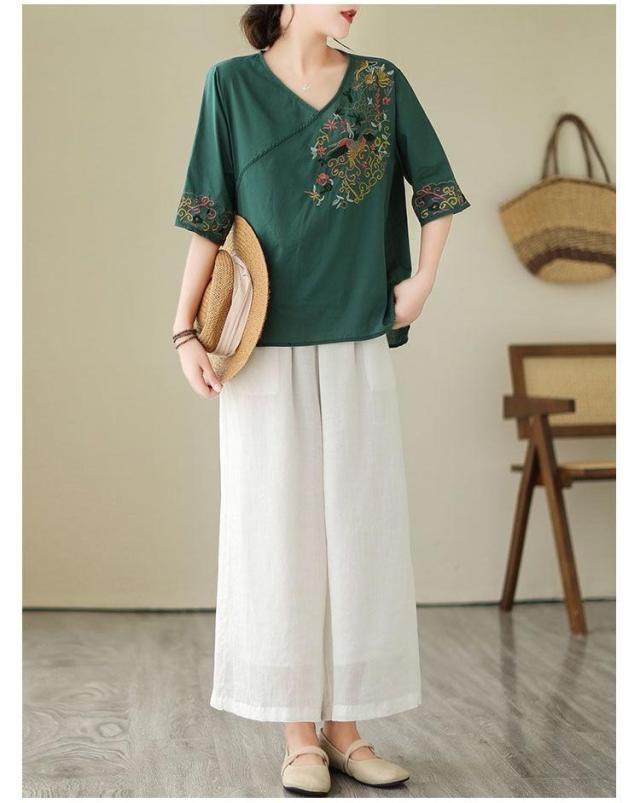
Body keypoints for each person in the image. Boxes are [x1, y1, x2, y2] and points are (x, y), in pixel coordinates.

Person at [172, 4, 470, 796]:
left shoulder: (380, 84)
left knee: (360, 534)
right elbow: (207, 212)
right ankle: (298, 734)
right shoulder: (230, 87)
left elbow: (436, 189)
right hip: (258, 347)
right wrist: (183, 329)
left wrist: (422, 284)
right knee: (275, 534)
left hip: (355, 334)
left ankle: (348, 727)